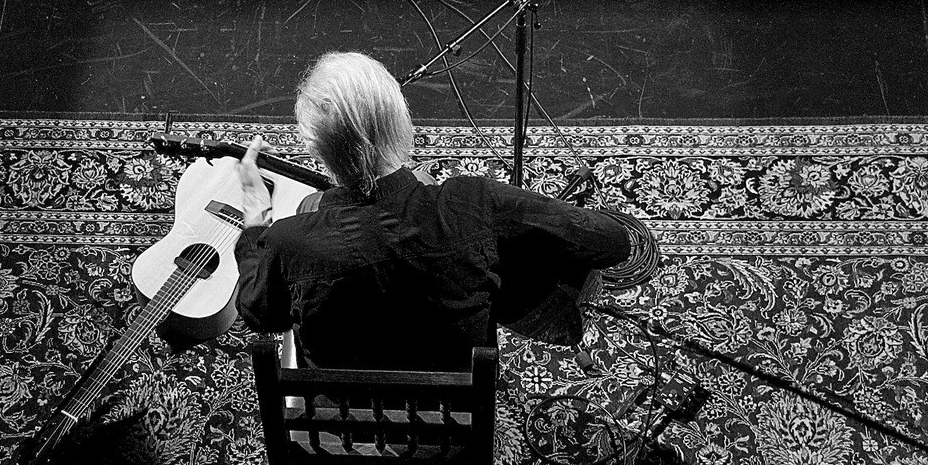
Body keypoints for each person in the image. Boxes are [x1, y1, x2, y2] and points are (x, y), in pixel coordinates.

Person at [230, 51, 633, 371]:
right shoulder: (473, 204)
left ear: (317, 149)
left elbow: (258, 312)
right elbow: (613, 241)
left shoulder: (287, 241)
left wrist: (255, 222)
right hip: (454, 427)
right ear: (401, 123)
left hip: (345, 428)